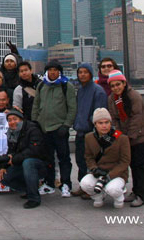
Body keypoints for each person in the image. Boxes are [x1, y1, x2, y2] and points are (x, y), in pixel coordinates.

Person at [108, 70, 144, 207]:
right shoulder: (112, 99)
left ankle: (140, 195)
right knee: (132, 164)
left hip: (142, 136)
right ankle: (135, 191)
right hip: (126, 137)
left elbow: (136, 118)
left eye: (118, 84)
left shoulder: (134, 96)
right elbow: (114, 119)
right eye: (112, 85)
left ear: (124, 83)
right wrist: (120, 136)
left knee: (140, 165)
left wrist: (129, 137)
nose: (116, 88)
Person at [32, 61, 77, 198]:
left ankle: (66, 184)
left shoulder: (66, 86)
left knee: (64, 158)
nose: (52, 72)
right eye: (50, 70)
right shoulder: (41, 86)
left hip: (59, 128)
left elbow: (72, 108)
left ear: (59, 72)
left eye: (55, 70)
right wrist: (36, 122)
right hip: (44, 129)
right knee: (48, 159)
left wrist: (66, 125)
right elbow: (36, 105)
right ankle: (49, 183)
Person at [80, 108, 131, 208]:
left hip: (117, 173)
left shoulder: (121, 138)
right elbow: (88, 157)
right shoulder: (89, 137)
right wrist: (94, 169)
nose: (104, 126)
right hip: (99, 171)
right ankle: (98, 196)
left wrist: (109, 176)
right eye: (100, 123)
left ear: (110, 123)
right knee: (85, 184)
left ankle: (119, 197)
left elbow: (125, 161)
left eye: (107, 122)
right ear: (95, 124)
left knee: (112, 189)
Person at [0, 109, 48, 209]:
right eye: (9, 120)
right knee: (4, 177)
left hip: (40, 163)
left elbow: (33, 151)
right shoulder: (11, 133)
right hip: (21, 161)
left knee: (28, 162)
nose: (12, 122)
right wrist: (4, 167)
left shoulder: (33, 130)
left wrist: (14, 159)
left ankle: (34, 198)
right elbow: (11, 151)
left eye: (15, 119)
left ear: (21, 119)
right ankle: (29, 189)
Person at [72, 63, 108, 198]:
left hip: (92, 133)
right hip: (80, 131)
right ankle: (83, 185)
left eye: (85, 72)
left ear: (91, 74)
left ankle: (92, 188)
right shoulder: (81, 90)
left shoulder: (98, 91)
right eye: (80, 72)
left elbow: (100, 114)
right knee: (80, 160)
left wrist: (95, 130)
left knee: (92, 161)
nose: (82, 75)